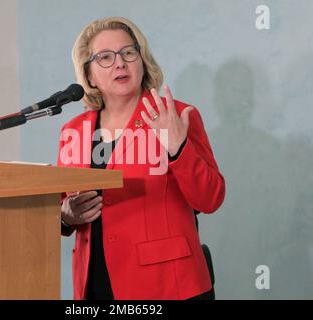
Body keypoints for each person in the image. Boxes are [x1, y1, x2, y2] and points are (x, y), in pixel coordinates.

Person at [57, 17, 225, 300]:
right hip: (95, 284)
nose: (120, 63)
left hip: (167, 285)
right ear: (89, 76)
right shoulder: (73, 131)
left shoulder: (177, 116)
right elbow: (63, 204)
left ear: (142, 60)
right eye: (105, 57)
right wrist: (65, 216)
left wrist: (178, 148)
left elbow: (211, 198)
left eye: (128, 52)